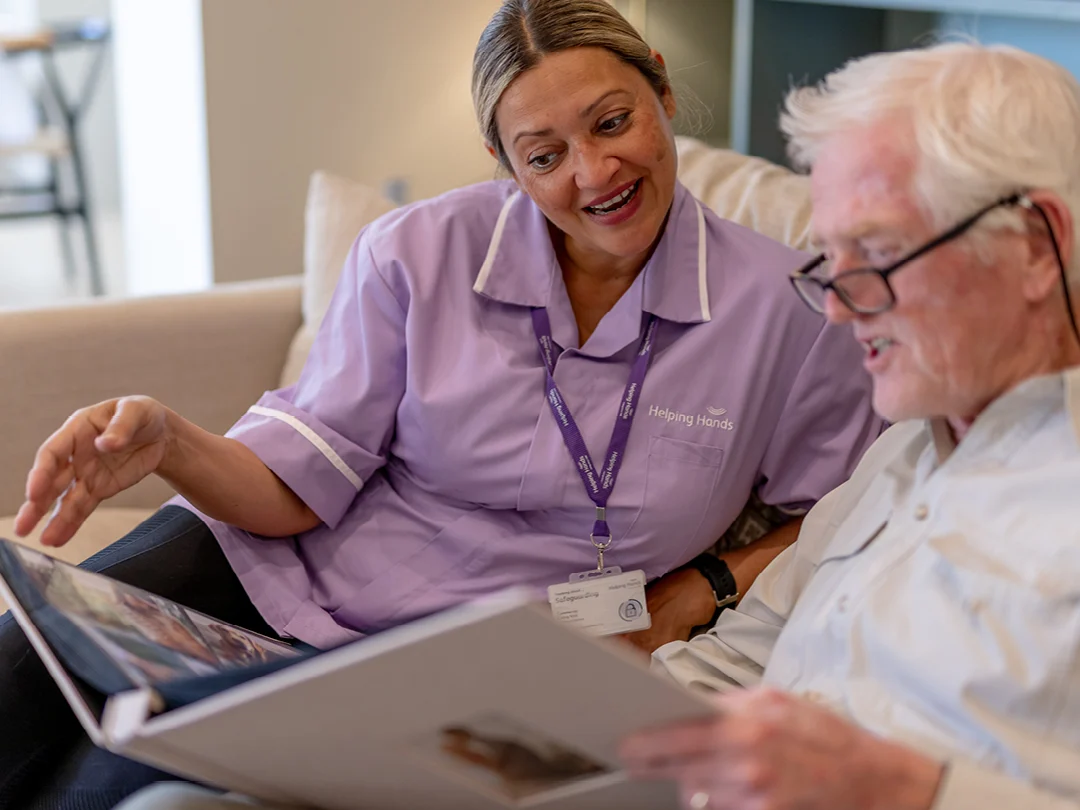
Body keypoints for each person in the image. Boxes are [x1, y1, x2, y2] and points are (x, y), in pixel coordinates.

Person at [0, 0, 881, 807]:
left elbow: (845, 515)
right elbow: (297, 486)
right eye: (545, 156)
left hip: (440, 663)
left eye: (614, 122)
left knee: (101, 789)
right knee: (17, 676)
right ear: (504, 164)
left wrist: (704, 587)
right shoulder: (414, 252)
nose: (596, 172)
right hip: (253, 564)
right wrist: (169, 443)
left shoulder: (791, 311)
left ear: (660, 85)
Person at [615, 42, 1080, 810]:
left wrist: (907, 792)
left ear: (1035, 246)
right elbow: (731, 667)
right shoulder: (897, 456)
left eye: (879, 252)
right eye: (830, 260)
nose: (836, 306)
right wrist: (572, 734)